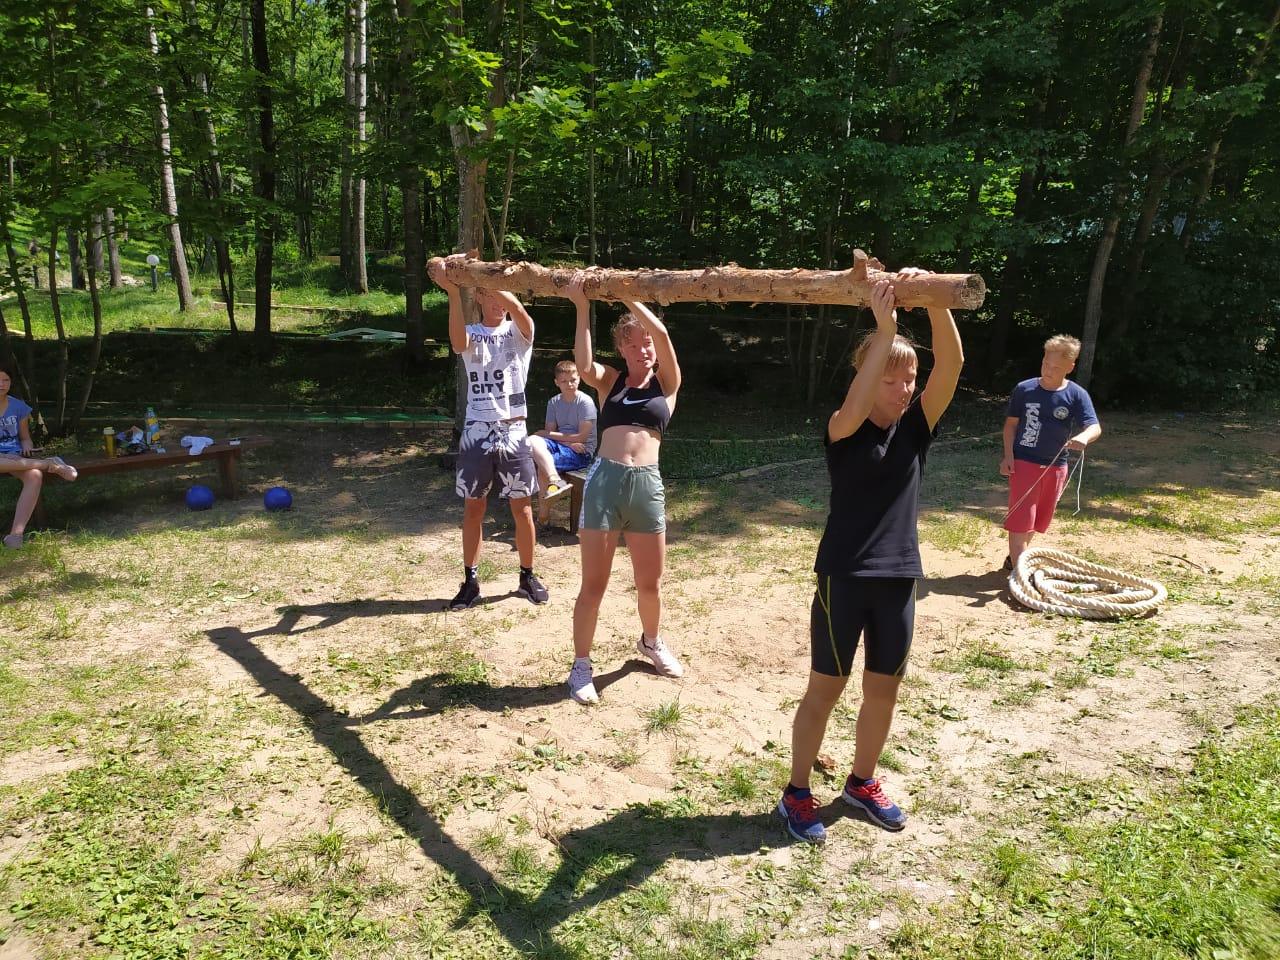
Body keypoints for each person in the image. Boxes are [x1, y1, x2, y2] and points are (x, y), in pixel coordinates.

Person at [777, 271, 963, 843]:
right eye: (892, 379)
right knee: (825, 689)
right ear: (868, 377)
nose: (905, 388)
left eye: (909, 378)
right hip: (845, 576)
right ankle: (797, 793)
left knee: (883, 690)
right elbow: (856, 402)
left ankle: (862, 782)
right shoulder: (843, 429)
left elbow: (951, 366)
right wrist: (884, 329)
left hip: (899, 578)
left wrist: (933, 297)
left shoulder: (917, 429)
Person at [564, 274, 684, 704]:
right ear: (622, 349)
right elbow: (582, 365)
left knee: (649, 583)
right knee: (593, 584)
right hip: (605, 483)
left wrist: (630, 298)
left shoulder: (667, 385)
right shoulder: (609, 381)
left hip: (646, 486)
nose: (644, 348)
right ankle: (581, 666)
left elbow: (665, 334)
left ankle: (651, 642)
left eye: (647, 341)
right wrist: (582, 306)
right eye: (634, 343)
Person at [427, 256, 549, 610]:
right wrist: (453, 291)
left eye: (502, 295)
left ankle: (527, 575)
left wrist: (501, 284)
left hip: (514, 432)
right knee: (473, 508)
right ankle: (470, 580)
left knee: (522, 508)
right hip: (477, 432)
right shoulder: (472, 333)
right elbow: (456, 343)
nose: (497, 302)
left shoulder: (518, 332)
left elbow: (524, 318)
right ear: (479, 297)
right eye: (488, 295)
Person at [1000, 334, 1101, 569]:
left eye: (1056, 368)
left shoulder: (1076, 395)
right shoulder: (1025, 390)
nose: (1048, 370)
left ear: (1070, 367)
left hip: (1056, 466)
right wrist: (1008, 456)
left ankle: (1016, 558)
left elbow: (1094, 426)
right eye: (1046, 363)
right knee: (1020, 520)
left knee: (1037, 519)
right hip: (1024, 462)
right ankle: (1019, 574)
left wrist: (1084, 437)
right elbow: (1011, 426)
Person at [0, 366, 78, 549]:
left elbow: (25, 438)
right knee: (35, 469)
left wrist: (27, 448)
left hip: (15, 456)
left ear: (11, 383)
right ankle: (49, 464)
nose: (1, 384)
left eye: (5, 380)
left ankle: (15, 535)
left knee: (35, 475)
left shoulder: (18, 407)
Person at [529, 360, 597, 524]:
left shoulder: (585, 402)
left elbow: (581, 438)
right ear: (556, 383)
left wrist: (553, 436)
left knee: (542, 464)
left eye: (573, 380)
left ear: (579, 378)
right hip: (564, 446)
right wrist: (565, 442)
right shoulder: (553, 402)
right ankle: (555, 481)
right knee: (532, 439)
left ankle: (543, 516)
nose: (569, 384)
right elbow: (547, 436)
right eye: (564, 381)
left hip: (582, 452)